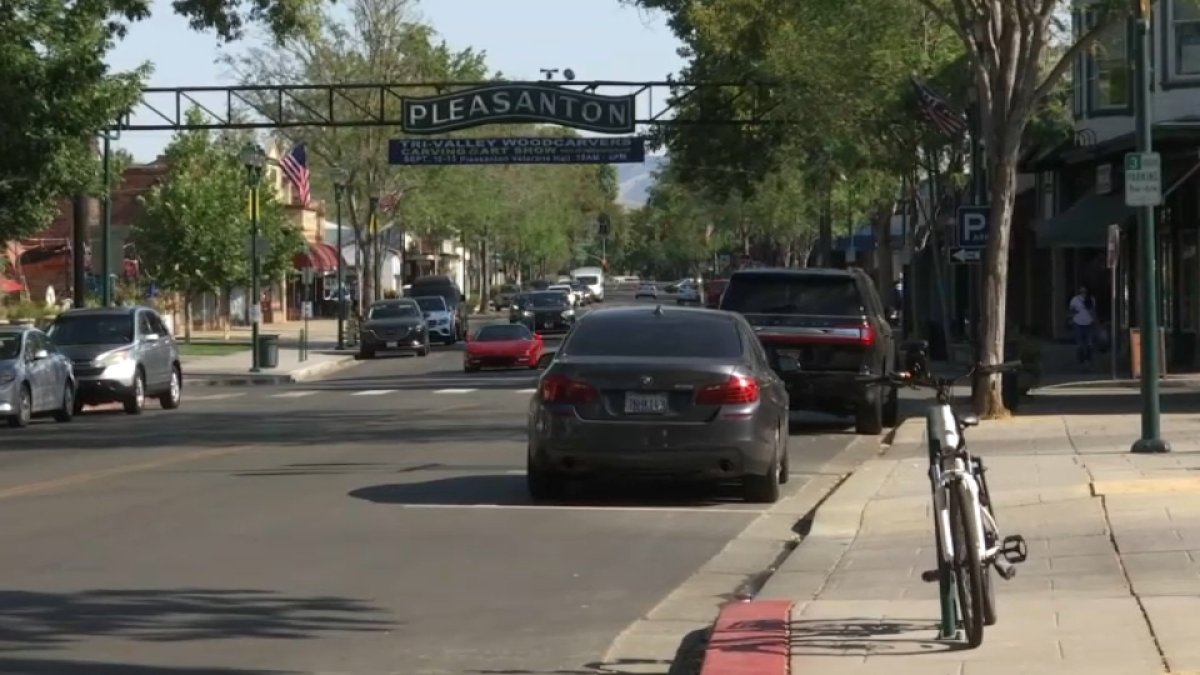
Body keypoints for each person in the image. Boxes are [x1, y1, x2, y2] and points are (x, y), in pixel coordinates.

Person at [1068, 286, 1096, 365]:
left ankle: (1085, 359)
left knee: (1084, 342)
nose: (1083, 294)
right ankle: (1085, 360)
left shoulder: (1077, 299)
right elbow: (1093, 311)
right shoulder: (1076, 299)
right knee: (1083, 343)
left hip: (1083, 322)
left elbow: (1072, 310)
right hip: (1082, 322)